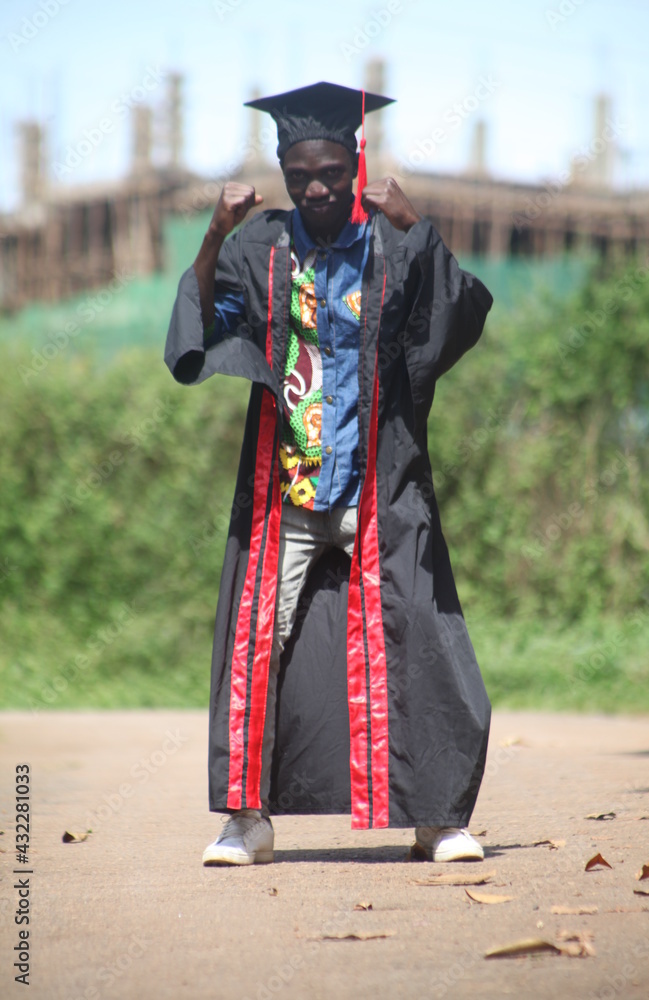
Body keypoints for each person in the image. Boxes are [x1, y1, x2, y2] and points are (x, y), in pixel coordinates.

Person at [165, 81, 494, 866]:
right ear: (283, 168)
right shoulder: (259, 247)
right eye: (299, 173)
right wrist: (214, 232)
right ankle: (246, 819)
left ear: (354, 164)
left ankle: (439, 818)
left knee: (420, 635)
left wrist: (420, 226)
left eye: (329, 172)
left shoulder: (389, 242)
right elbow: (205, 323)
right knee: (255, 643)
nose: (315, 188)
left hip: (381, 486)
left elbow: (457, 315)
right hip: (289, 489)